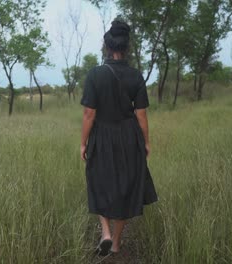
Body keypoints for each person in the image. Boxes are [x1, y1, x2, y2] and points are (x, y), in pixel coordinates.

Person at [80, 20, 158, 256]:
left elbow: (89, 113)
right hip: (129, 137)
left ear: (107, 46)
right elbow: (141, 114)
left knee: (99, 182)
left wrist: (83, 142)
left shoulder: (95, 74)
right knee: (126, 187)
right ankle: (115, 241)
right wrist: (146, 142)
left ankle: (104, 231)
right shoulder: (136, 76)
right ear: (127, 47)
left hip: (102, 135)